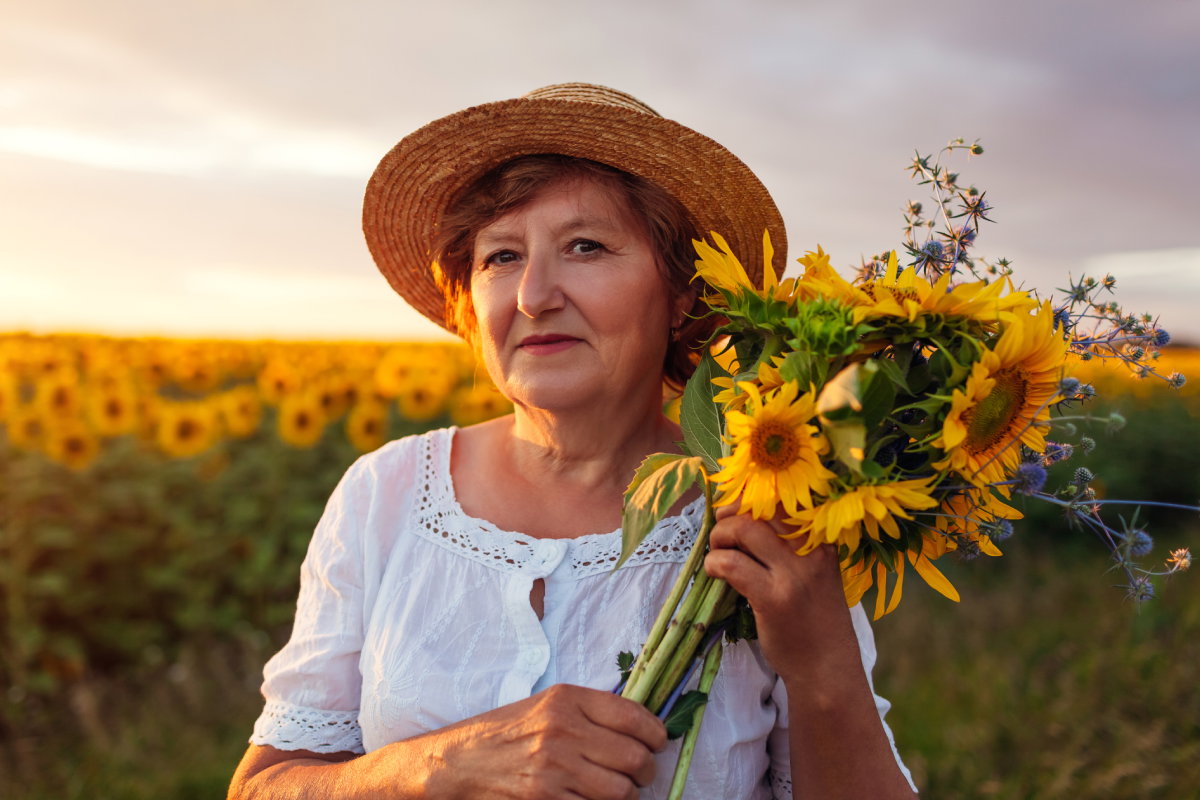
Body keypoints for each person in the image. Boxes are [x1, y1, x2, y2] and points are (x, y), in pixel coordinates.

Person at [228, 83, 918, 799]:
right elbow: (262, 788)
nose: (534, 295)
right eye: (500, 257)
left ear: (683, 292)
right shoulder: (388, 493)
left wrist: (822, 666)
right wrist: (450, 762)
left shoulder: (764, 504)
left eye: (585, 246)